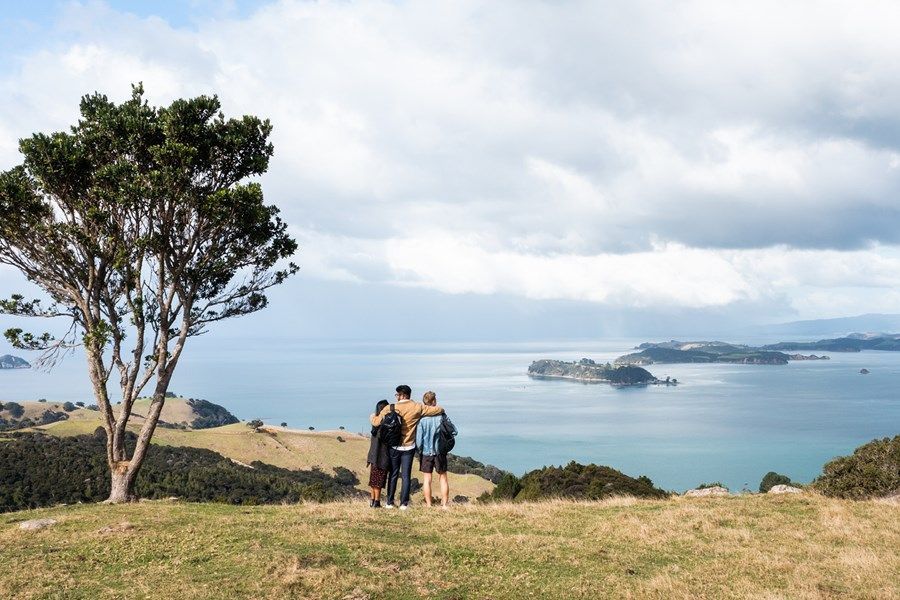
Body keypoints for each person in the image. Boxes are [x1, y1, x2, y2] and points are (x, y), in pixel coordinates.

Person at [370, 384, 444, 510]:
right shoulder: (417, 407)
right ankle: (404, 504)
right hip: (409, 447)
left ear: (402, 395)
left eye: (397, 395)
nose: (396, 397)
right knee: (406, 476)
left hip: (394, 446)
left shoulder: (390, 407)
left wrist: (372, 416)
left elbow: (376, 422)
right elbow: (438, 410)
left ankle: (389, 502)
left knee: (393, 474)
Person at [416, 390, 457, 509]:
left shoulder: (422, 419)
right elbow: (454, 430)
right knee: (443, 478)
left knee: (427, 479)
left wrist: (421, 450)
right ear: (433, 401)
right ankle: (444, 505)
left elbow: (419, 440)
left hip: (426, 453)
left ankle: (429, 505)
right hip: (440, 452)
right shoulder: (442, 416)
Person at [366, 399, 390, 508]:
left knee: (373, 481)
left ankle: (372, 501)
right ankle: (377, 501)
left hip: (373, 456)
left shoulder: (374, 425)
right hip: (382, 456)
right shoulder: (385, 425)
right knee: (378, 482)